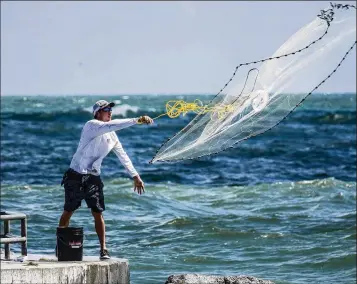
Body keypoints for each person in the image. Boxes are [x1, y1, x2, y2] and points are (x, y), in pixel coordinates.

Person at [58, 99, 153, 260]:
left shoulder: (112, 136)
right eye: (106, 109)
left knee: (98, 212)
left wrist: (135, 176)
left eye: (110, 109)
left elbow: (123, 155)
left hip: (93, 177)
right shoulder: (91, 125)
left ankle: (103, 249)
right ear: (97, 113)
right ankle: (60, 245)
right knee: (69, 211)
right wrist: (137, 120)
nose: (110, 111)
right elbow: (112, 125)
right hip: (75, 175)